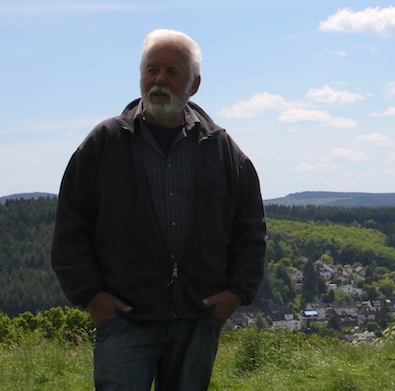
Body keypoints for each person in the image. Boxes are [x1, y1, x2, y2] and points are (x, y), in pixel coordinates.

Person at [51, 29, 267, 391]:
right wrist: (92, 298)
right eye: (151, 70)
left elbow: (251, 228)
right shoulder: (105, 143)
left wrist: (235, 294)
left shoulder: (220, 148)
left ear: (194, 84)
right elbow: (70, 227)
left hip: (197, 317)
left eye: (172, 72)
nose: (159, 80)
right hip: (125, 319)